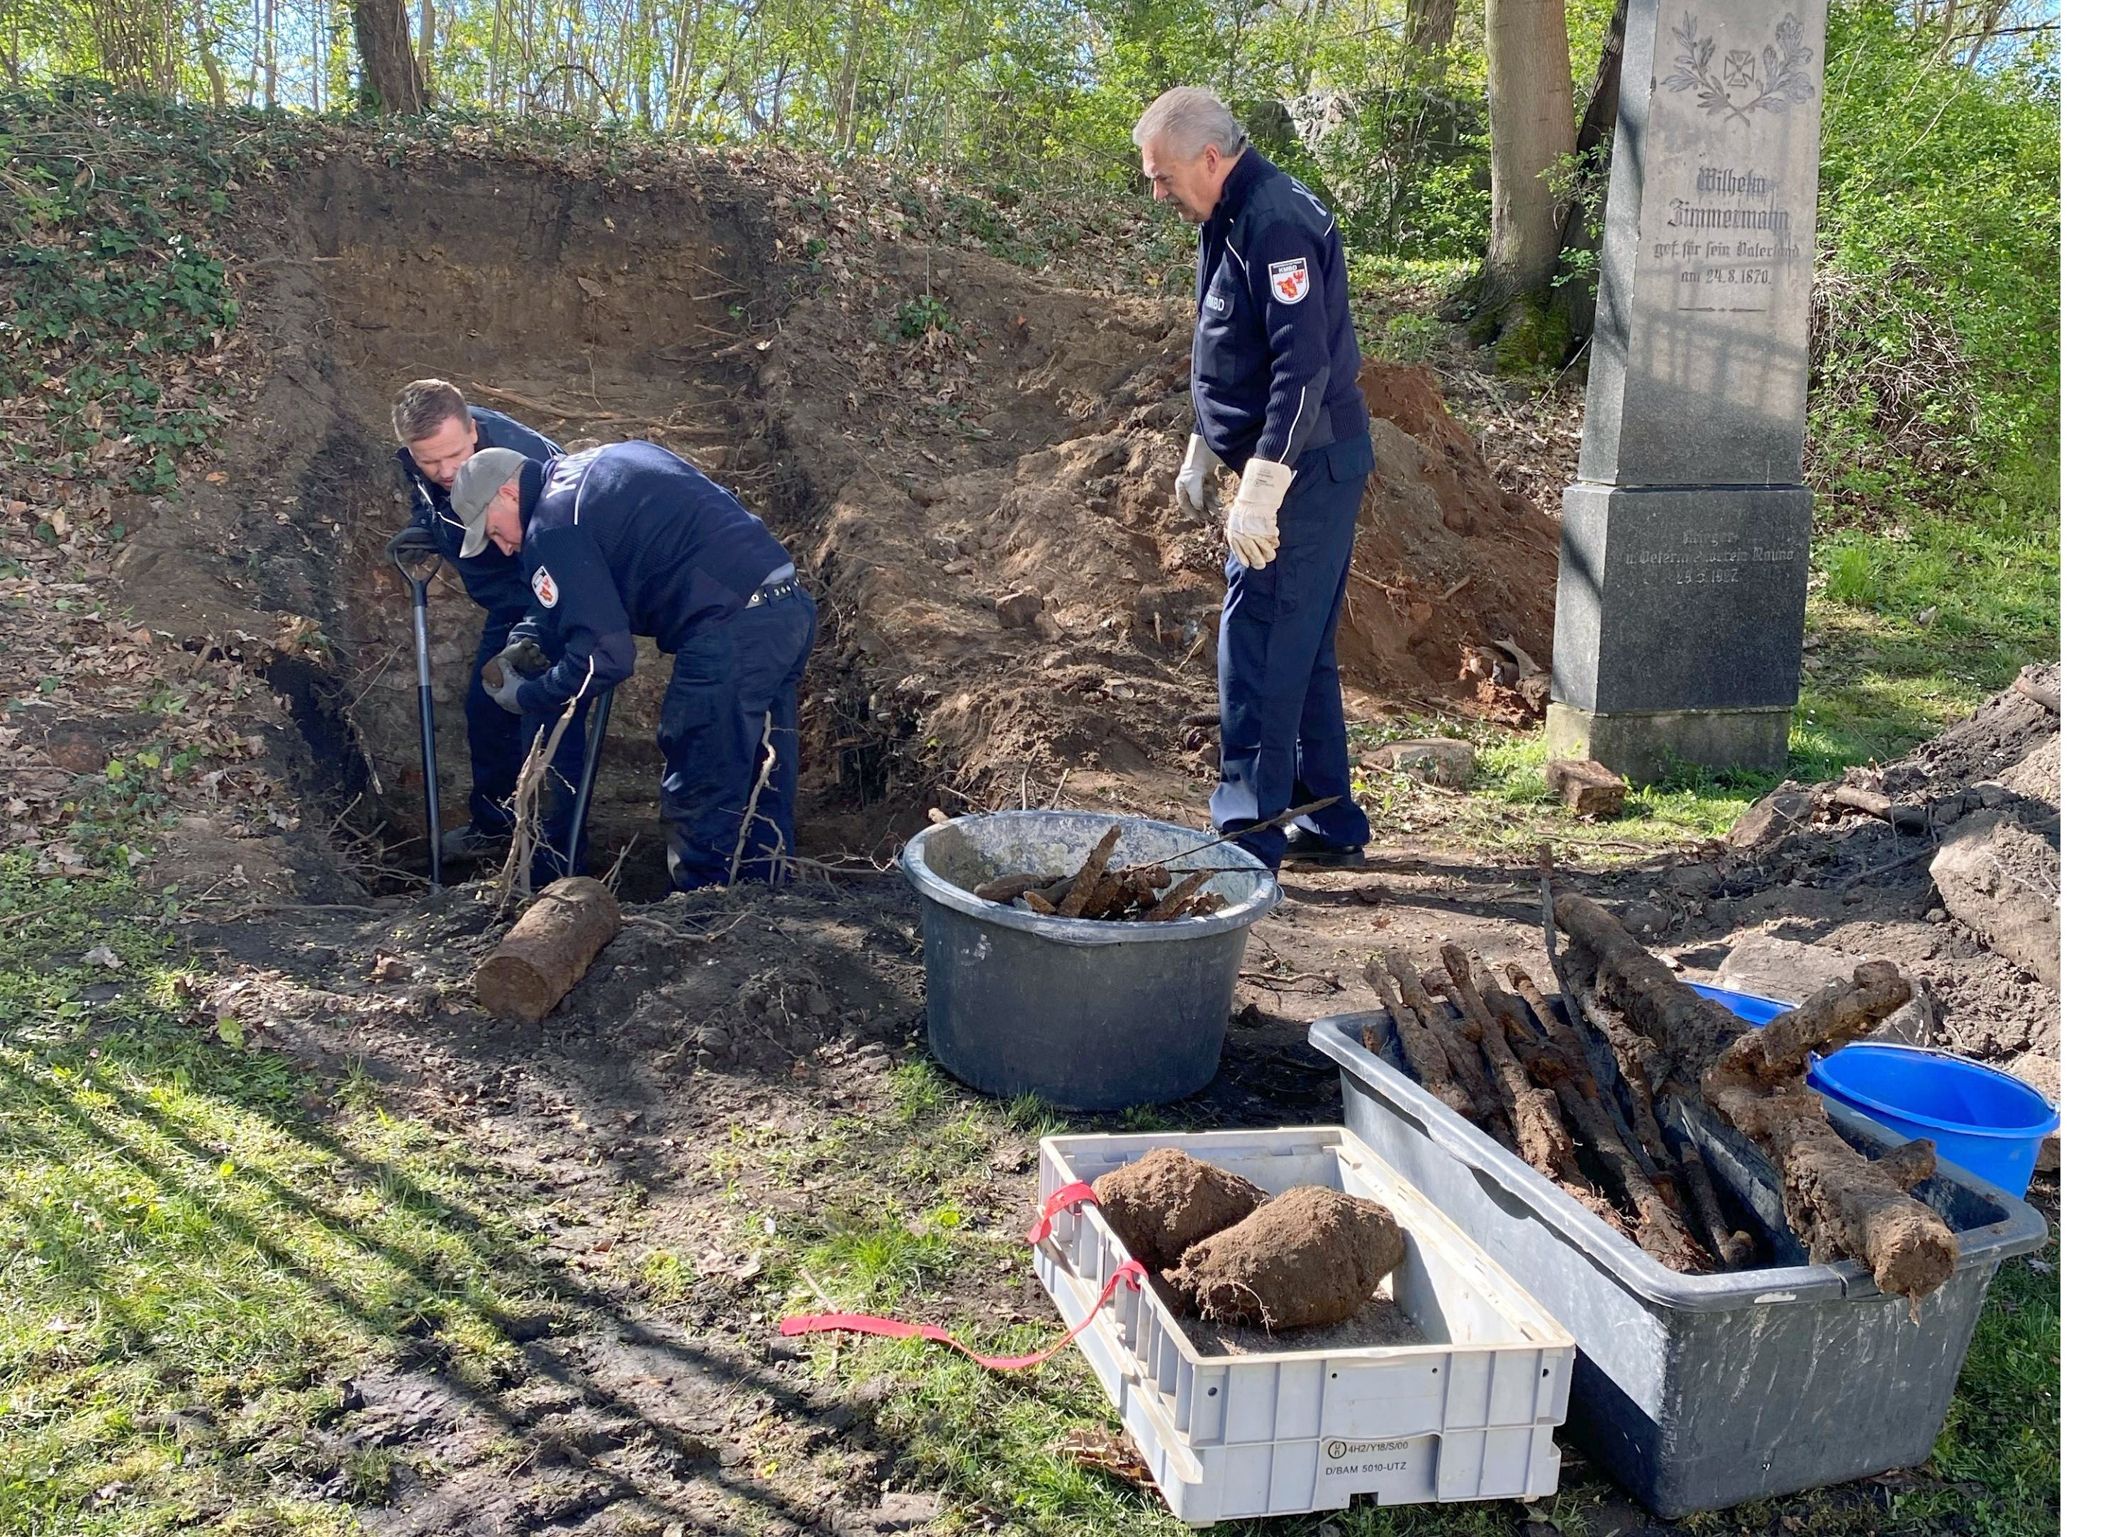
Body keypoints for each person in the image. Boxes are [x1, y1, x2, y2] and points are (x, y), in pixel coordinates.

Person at [1136, 86, 1376, 873]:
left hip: (1304, 466)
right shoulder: (1228, 211)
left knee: (1261, 639)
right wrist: (1206, 444)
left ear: (1210, 156)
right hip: (1296, 459)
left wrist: (1262, 484)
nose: (1157, 191)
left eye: (1164, 175)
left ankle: (1246, 831)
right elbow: (1234, 342)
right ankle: (1325, 811)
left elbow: (1302, 369)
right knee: (1299, 646)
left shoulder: (1271, 220)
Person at [446, 441, 816, 890]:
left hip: (729, 633)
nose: (503, 547)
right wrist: (529, 635)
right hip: (785, 608)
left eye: (493, 530)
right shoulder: (590, 469)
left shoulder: (550, 526)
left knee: (700, 786)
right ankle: (768, 910)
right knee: (761, 777)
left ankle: (710, 923)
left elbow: (605, 658)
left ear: (506, 493)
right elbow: (594, 573)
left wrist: (526, 696)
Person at [390, 379, 586, 861]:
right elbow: (427, 496)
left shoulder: (526, 463)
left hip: (548, 594)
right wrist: (426, 525)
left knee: (542, 718)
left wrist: (540, 624)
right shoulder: (422, 458)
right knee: (486, 706)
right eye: (429, 461)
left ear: (473, 431)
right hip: (505, 599)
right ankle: (495, 827)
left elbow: (561, 540)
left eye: (454, 456)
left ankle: (551, 848)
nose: (445, 470)